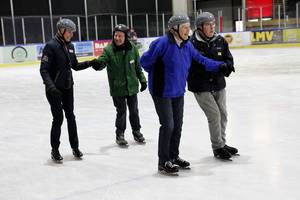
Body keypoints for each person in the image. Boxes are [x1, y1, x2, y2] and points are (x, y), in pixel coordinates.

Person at [140, 15, 226, 174]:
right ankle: (163, 161)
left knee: (177, 126)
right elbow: (144, 62)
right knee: (168, 125)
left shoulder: (187, 46)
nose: (189, 30)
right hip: (162, 92)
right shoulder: (161, 43)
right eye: (185, 27)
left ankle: (174, 156)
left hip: (178, 91)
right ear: (174, 29)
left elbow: (201, 60)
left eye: (188, 26)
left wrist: (220, 66)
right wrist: (157, 75)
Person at [40, 18, 94, 162]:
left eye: (72, 32)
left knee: (71, 116)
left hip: (68, 87)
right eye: (69, 31)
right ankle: (55, 150)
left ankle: (75, 147)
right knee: (58, 118)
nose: (71, 34)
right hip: (54, 90)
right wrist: (50, 86)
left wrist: (90, 63)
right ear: (61, 30)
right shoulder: (50, 46)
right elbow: (43, 70)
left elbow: (75, 65)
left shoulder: (70, 46)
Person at [187, 12, 238, 160]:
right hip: (200, 86)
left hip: (218, 84)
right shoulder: (192, 44)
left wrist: (228, 66)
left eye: (213, 24)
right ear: (200, 27)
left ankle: (222, 143)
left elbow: (228, 58)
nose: (212, 27)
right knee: (214, 115)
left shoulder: (220, 40)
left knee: (223, 114)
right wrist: (217, 67)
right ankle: (217, 147)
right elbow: (194, 66)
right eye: (208, 24)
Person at [91, 24, 147, 146]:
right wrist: (97, 65)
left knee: (134, 111)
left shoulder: (132, 48)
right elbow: (102, 61)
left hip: (132, 86)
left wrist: (142, 80)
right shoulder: (108, 50)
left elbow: (137, 67)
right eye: (115, 35)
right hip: (118, 88)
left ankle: (136, 131)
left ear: (126, 37)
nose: (117, 38)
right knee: (121, 111)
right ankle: (120, 134)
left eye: (120, 36)